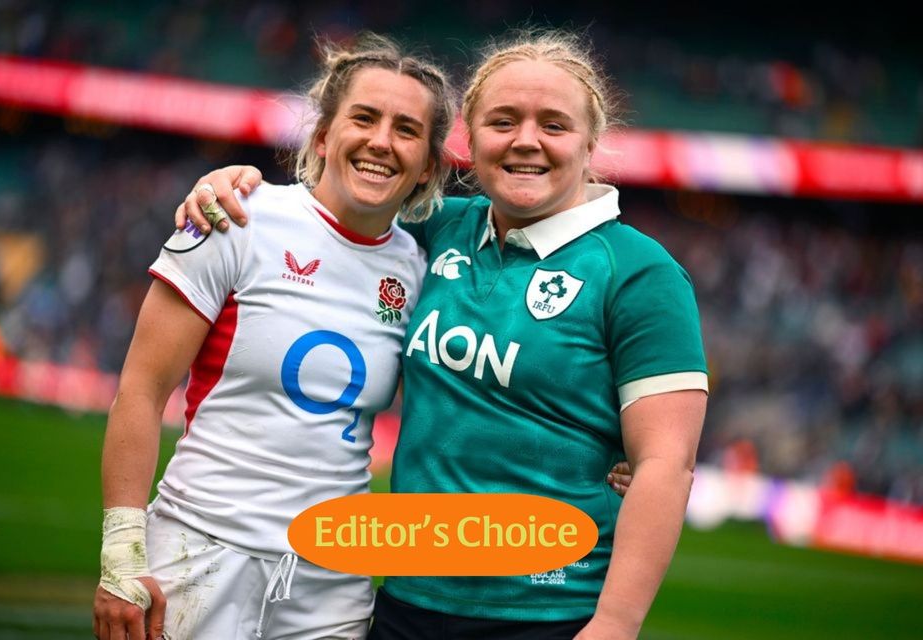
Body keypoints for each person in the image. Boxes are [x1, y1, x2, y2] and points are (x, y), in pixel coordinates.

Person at [181, 30, 700, 640]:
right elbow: (331, 203)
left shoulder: (641, 273)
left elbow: (665, 464)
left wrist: (614, 623)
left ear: (591, 143)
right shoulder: (433, 229)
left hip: (550, 614)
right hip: (407, 603)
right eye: (502, 121)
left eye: (554, 126)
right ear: (470, 140)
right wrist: (238, 185)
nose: (525, 141)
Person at [92, 34, 457, 640]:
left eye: (407, 130)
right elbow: (140, 389)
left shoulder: (421, 273)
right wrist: (122, 553)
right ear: (321, 137)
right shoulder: (234, 220)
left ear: (429, 164)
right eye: (363, 118)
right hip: (199, 550)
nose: (381, 142)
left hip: (334, 578)